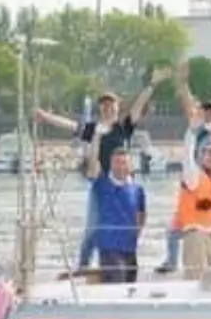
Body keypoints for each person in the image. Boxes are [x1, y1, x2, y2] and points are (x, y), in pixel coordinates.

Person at [34, 71, 165, 270]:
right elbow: (70, 125)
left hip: (124, 182)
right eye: (104, 105)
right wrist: (45, 116)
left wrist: (151, 85)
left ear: (117, 107)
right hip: (101, 182)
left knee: (127, 223)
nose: (107, 108)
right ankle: (83, 266)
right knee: (93, 226)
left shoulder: (123, 127)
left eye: (111, 105)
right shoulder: (93, 128)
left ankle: (125, 260)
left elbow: (138, 106)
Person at [155, 80, 211, 275]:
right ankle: (171, 262)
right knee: (174, 229)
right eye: (208, 112)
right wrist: (184, 88)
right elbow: (192, 121)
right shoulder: (200, 134)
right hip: (196, 186)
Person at [160, 128, 211, 282]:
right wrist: (191, 131)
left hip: (210, 237)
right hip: (195, 236)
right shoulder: (193, 176)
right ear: (200, 155)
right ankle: (171, 262)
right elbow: (187, 157)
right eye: (210, 153)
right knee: (195, 281)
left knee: (210, 283)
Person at [92, 144, 148, 284]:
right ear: (111, 164)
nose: (121, 167)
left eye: (124, 163)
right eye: (117, 162)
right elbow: (91, 168)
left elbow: (141, 214)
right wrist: (96, 139)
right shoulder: (101, 185)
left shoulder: (137, 189)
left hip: (130, 248)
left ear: (130, 165)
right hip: (109, 247)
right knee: (117, 284)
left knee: (130, 285)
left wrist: (136, 234)